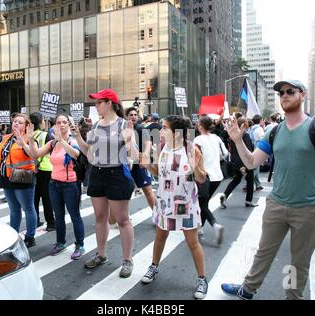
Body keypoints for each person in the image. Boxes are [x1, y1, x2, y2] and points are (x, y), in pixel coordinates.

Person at [220, 80, 315, 300]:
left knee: (298, 262)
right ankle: (248, 289)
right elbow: (251, 163)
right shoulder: (274, 131)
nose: (284, 95)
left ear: (302, 95)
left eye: (290, 91)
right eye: (281, 93)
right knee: (264, 251)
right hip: (277, 204)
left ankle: (292, 296)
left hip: (308, 208)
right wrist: (238, 141)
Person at [139, 115, 209, 299]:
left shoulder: (192, 150)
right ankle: (153, 267)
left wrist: (196, 167)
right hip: (164, 201)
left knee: (193, 243)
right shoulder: (162, 148)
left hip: (186, 204)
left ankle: (202, 279)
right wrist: (148, 166)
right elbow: (159, 173)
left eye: (164, 128)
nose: (160, 131)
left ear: (177, 133)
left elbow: (201, 179)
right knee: (160, 237)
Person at [72, 89, 137, 278]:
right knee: (100, 217)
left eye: (99, 102)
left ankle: (127, 259)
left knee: (122, 219)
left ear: (109, 103)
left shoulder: (124, 124)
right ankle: (101, 254)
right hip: (98, 174)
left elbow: (133, 155)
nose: (96, 106)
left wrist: (129, 140)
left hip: (117, 174)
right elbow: (90, 155)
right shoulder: (95, 126)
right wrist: (78, 137)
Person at [29, 114, 85, 259]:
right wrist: (29, 139)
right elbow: (35, 154)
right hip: (54, 184)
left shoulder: (73, 140)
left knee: (75, 216)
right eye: (58, 122)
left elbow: (75, 154)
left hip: (71, 184)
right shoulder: (52, 143)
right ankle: (60, 243)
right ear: (54, 125)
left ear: (69, 124)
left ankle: (80, 245)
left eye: (64, 122)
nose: (61, 125)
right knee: (58, 217)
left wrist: (61, 140)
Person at [0, 114, 39, 248]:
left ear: (26, 126)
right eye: (15, 121)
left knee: (28, 208)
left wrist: (24, 142)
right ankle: (14, 235)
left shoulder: (29, 139)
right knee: (14, 210)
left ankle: (30, 237)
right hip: (6, 178)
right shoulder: (5, 138)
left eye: (20, 122)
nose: (16, 124)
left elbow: (33, 155)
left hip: (22, 177)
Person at [194, 115, 226, 245]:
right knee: (204, 203)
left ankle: (215, 225)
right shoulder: (217, 138)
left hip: (204, 175)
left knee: (202, 204)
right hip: (217, 176)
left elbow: (194, 157)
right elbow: (225, 154)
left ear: (200, 126)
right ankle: (200, 228)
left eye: (198, 123)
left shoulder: (198, 139)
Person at [220, 117, 257, 208]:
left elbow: (233, 150)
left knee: (236, 180)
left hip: (236, 162)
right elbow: (248, 150)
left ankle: (225, 195)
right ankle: (249, 201)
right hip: (245, 163)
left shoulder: (233, 136)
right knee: (250, 181)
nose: (248, 124)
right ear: (243, 124)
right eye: (247, 123)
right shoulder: (245, 135)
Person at [30, 112, 56, 231]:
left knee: (34, 197)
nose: (45, 123)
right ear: (40, 122)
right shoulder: (46, 135)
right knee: (46, 197)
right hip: (46, 168)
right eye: (43, 120)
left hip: (31, 169)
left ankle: (34, 222)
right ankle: (50, 223)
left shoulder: (27, 135)